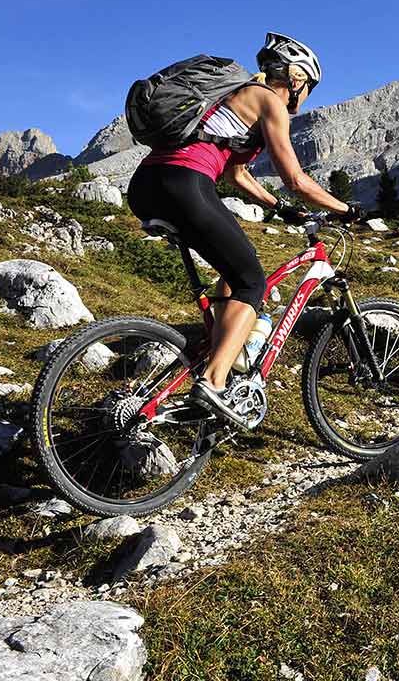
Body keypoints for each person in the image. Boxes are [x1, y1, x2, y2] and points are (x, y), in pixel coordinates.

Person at [127, 32, 361, 426]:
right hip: (185, 182)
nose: (306, 97)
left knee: (230, 277)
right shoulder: (269, 99)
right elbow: (296, 178)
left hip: (146, 184)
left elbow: (237, 174)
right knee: (253, 283)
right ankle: (213, 382)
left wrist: (281, 210)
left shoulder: (231, 99)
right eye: (310, 87)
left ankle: (224, 354)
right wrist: (344, 209)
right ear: (297, 78)